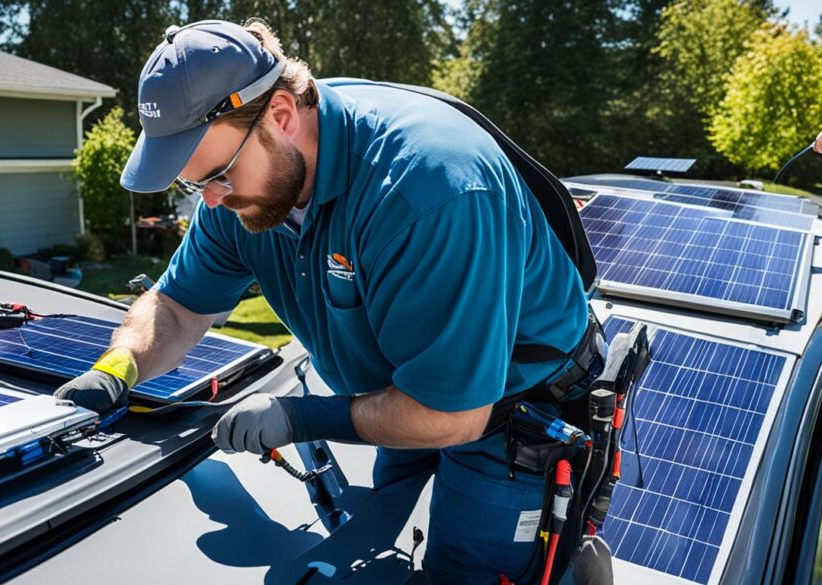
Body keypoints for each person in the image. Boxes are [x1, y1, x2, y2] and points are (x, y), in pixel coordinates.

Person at [55, 19, 591, 584]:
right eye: (194, 185)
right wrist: (120, 366)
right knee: (385, 542)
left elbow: (451, 414)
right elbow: (181, 305)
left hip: (508, 410)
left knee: (464, 573)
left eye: (217, 174)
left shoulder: (429, 190)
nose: (211, 199)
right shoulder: (238, 195)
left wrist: (300, 416)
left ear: (282, 115)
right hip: (398, 395)